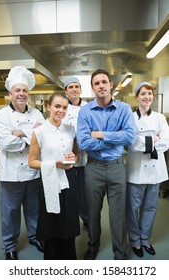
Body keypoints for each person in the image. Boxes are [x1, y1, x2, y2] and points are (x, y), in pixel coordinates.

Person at [77, 69, 136, 260]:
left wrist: (101, 134)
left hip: (117, 166)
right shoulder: (85, 111)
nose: (101, 86)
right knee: (93, 212)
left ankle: (119, 251)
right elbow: (84, 142)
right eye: (97, 83)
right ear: (93, 88)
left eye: (104, 82)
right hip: (94, 167)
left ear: (111, 85)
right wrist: (115, 138)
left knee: (118, 213)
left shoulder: (124, 109)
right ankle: (93, 246)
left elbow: (129, 137)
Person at [0, 65, 45, 260]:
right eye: (18, 90)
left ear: (28, 93)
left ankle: (34, 236)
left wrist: (18, 133)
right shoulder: (0, 116)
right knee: (10, 212)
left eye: (25, 90)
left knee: (34, 209)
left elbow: (43, 139)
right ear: (10, 93)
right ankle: (9, 246)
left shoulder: (36, 114)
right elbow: (6, 143)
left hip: (33, 172)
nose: (22, 94)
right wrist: (30, 133)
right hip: (10, 174)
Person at [28, 93, 80, 260]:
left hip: (69, 179)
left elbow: (76, 155)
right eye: (57, 106)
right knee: (51, 222)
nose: (61, 111)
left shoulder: (71, 130)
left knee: (69, 220)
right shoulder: (39, 132)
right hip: (49, 181)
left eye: (64, 107)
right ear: (48, 106)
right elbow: (32, 162)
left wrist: (74, 159)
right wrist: (53, 165)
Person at [126, 81, 169, 258]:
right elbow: (131, 142)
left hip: (155, 172)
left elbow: (166, 142)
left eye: (149, 94)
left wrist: (145, 141)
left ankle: (145, 238)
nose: (147, 97)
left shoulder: (160, 117)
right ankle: (135, 240)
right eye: (143, 94)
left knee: (150, 207)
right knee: (132, 207)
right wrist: (154, 139)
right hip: (136, 172)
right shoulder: (130, 117)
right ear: (137, 97)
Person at [63, 77, 88, 227]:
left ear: (80, 89)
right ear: (66, 90)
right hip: (68, 158)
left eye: (76, 86)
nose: (74, 89)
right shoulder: (63, 108)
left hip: (87, 159)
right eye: (70, 87)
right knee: (70, 193)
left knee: (86, 194)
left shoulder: (89, 107)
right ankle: (71, 222)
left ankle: (86, 219)